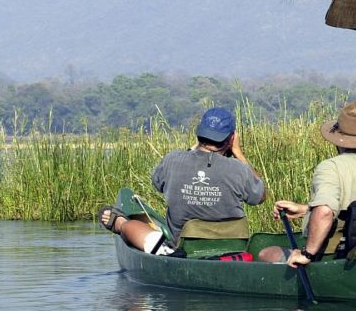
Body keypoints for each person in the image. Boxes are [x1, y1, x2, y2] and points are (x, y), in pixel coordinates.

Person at [99, 107, 266, 255]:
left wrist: (194, 148)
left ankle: (119, 223)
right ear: (231, 139)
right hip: (232, 248)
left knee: (133, 225)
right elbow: (260, 196)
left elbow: (157, 183)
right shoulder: (239, 169)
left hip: (180, 249)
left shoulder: (173, 160)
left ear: (199, 134)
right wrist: (238, 152)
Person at [257, 101, 356, 267]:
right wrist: (305, 210)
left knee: (267, 253)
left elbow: (324, 212)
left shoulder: (331, 167)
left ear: (338, 139)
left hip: (332, 257)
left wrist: (307, 254)